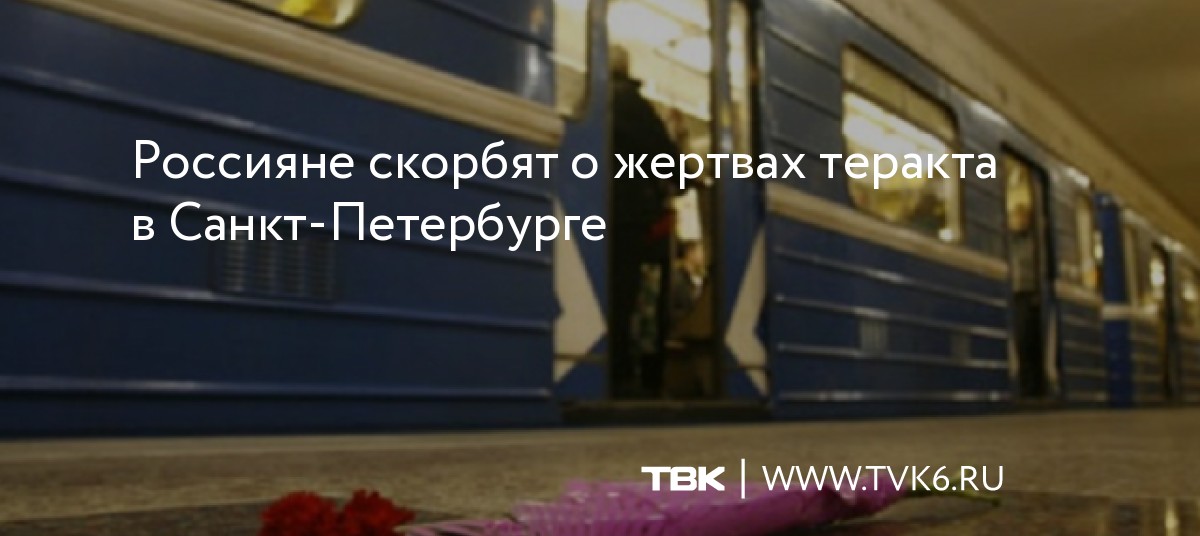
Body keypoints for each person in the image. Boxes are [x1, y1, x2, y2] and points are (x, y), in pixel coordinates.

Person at [609, 46, 680, 398]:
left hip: (597, 211)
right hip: (629, 217)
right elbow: (665, 158)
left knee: (607, 290)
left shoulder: (593, 100)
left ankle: (610, 365)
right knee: (627, 295)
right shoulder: (632, 105)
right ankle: (625, 373)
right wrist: (683, 179)